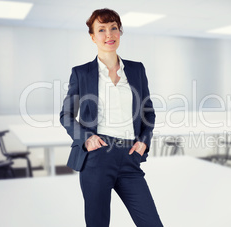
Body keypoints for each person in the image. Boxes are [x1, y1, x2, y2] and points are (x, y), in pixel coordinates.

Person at [59, 8, 163, 227]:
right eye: (102, 29)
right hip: (97, 158)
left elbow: (148, 113)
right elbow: (66, 115)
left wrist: (144, 141)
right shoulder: (82, 73)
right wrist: (86, 137)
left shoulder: (136, 70)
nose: (109, 35)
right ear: (92, 36)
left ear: (120, 32)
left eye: (114, 28)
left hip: (129, 156)